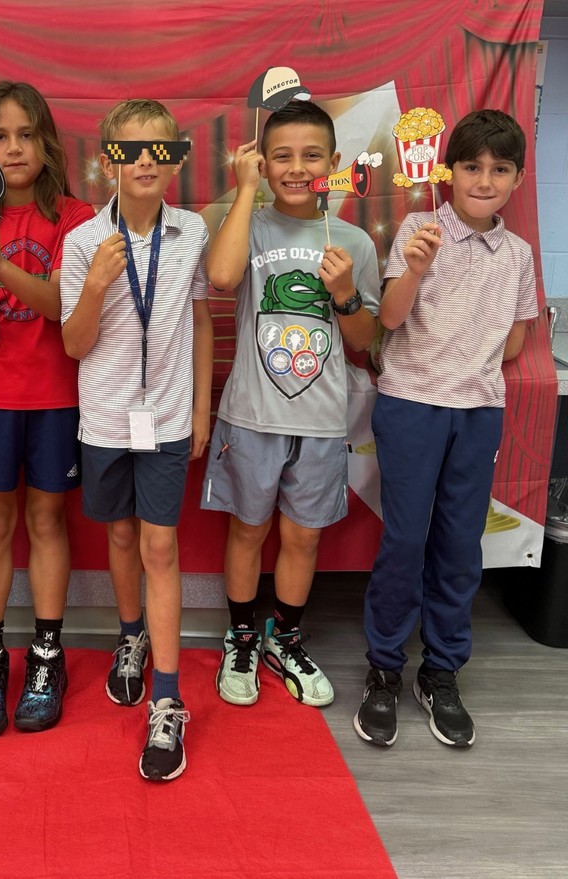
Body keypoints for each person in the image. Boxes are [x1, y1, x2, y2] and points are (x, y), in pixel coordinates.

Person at [354, 109, 536, 749]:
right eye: (472, 166)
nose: (485, 180)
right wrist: (415, 270)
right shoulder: (418, 228)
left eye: (500, 169)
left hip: (479, 412)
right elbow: (390, 321)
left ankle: (440, 670)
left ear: (517, 179)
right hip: (411, 406)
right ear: (448, 172)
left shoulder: (519, 255)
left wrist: (471, 363)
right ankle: (384, 667)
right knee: (405, 540)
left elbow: (515, 342)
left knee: (460, 545)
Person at [202, 101, 380, 712]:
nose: (297, 168)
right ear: (262, 162)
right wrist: (244, 190)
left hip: (322, 421)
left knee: (302, 539)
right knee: (247, 531)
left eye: (311, 156)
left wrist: (345, 294)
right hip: (251, 415)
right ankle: (241, 638)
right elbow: (222, 277)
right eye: (281, 156)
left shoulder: (353, 241)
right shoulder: (248, 224)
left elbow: (364, 341)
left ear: (334, 162)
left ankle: (286, 639)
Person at [61, 99, 213, 781]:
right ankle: (131, 638)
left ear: (176, 159)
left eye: (160, 149)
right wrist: (96, 285)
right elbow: (74, 342)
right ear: (108, 162)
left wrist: (202, 407)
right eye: (130, 149)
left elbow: (202, 321)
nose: (146, 160)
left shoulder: (192, 230)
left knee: (160, 545)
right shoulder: (83, 241)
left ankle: (169, 698)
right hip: (105, 418)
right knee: (121, 536)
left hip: (170, 417)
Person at [0, 81, 94, 737]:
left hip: (57, 396)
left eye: (26, 134)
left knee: (46, 518)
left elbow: (61, 304)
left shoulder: (75, 216)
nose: (13, 148)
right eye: (0, 136)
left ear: (46, 143)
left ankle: (46, 655)